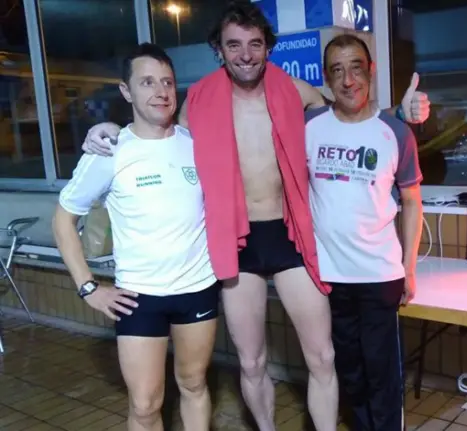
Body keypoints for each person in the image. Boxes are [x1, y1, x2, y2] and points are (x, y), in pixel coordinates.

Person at [79, 3, 430, 430]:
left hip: (289, 236)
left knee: (322, 355)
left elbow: (350, 118)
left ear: (267, 48)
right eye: (234, 45)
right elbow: (154, 132)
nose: (245, 55)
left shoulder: (297, 92)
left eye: (254, 44)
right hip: (236, 242)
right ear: (219, 49)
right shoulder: (198, 101)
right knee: (251, 360)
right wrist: (109, 131)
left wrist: (399, 113)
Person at [52, 43, 219, 431]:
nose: (160, 91)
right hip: (139, 297)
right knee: (145, 406)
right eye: (147, 82)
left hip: (198, 287)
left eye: (167, 82)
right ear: (126, 91)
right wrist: (88, 288)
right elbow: (63, 221)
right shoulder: (108, 151)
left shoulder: (195, 144)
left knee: (194, 385)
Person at [305, 34, 423, 430]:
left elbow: (411, 202)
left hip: (379, 276)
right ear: (325, 78)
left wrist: (409, 268)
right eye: (336, 71)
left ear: (371, 71)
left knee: (382, 376)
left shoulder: (395, 132)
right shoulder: (309, 126)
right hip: (328, 279)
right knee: (350, 375)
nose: (348, 79)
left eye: (356, 67)